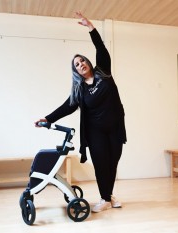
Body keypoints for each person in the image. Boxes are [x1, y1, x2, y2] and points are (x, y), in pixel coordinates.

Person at [34, 12, 126, 213]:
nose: (81, 64)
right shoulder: (80, 90)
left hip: (115, 127)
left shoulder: (104, 72)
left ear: (88, 62)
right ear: (75, 71)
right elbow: (67, 106)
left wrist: (91, 28)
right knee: (102, 163)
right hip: (96, 132)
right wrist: (48, 118)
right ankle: (104, 199)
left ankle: (108, 195)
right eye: (77, 65)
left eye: (82, 60)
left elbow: (100, 48)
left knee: (113, 162)